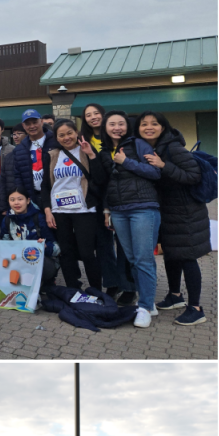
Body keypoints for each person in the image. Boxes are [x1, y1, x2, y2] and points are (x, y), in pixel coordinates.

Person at [85, 110, 161, 328]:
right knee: (133, 258)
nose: (117, 127)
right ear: (105, 128)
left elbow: (155, 173)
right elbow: (107, 183)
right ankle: (150, 302)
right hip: (118, 211)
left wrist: (126, 161)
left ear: (127, 126)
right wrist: (107, 210)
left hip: (143, 208)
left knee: (143, 258)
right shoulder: (105, 151)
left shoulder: (139, 144)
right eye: (112, 124)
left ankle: (144, 306)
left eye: (121, 123)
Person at [135, 111, 210, 326]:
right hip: (167, 210)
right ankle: (175, 295)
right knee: (171, 255)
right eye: (143, 124)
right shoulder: (152, 148)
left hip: (185, 212)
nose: (149, 127)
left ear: (163, 127)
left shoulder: (173, 148)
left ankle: (196, 309)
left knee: (187, 256)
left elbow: (193, 176)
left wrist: (163, 165)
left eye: (154, 123)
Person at [80, 103, 137, 306]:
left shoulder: (121, 140)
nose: (93, 117)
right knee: (104, 245)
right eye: (88, 114)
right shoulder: (83, 140)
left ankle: (128, 286)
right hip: (97, 197)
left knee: (124, 245)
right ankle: (112, 283)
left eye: (97, 113)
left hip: (124, 198)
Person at [42, 120, 102, 291]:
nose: (66, 137)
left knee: (87, 253)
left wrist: (91, 155)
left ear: (76, 132)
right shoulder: (52, 155)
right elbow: (45, 185)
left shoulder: (86, 150)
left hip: (84, 210)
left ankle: (96, 290)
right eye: (61, 135)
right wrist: (47, 210)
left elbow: (99, 178)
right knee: (66, 252)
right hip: (59, 211)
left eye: (69, 133)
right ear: (56, 137)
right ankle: (73, 289)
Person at [0, 186, 60, 293]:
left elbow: (57, 248)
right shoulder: (7, 220)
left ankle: (45, 282)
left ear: (28, 201)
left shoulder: (39, 218)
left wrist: (45, 246)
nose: (16, 203)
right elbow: (3, 245)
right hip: (17, 262)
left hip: (42, 262)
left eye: (20, 199)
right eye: (12, 200)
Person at [12, 110, 56, 208]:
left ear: (41, 122)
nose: (32, 126)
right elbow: (18, 175)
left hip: (55, 194)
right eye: (28, 124)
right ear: (23, 126)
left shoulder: (55, 141)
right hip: (33, 197)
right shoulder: (19, 149)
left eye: (35, 122)